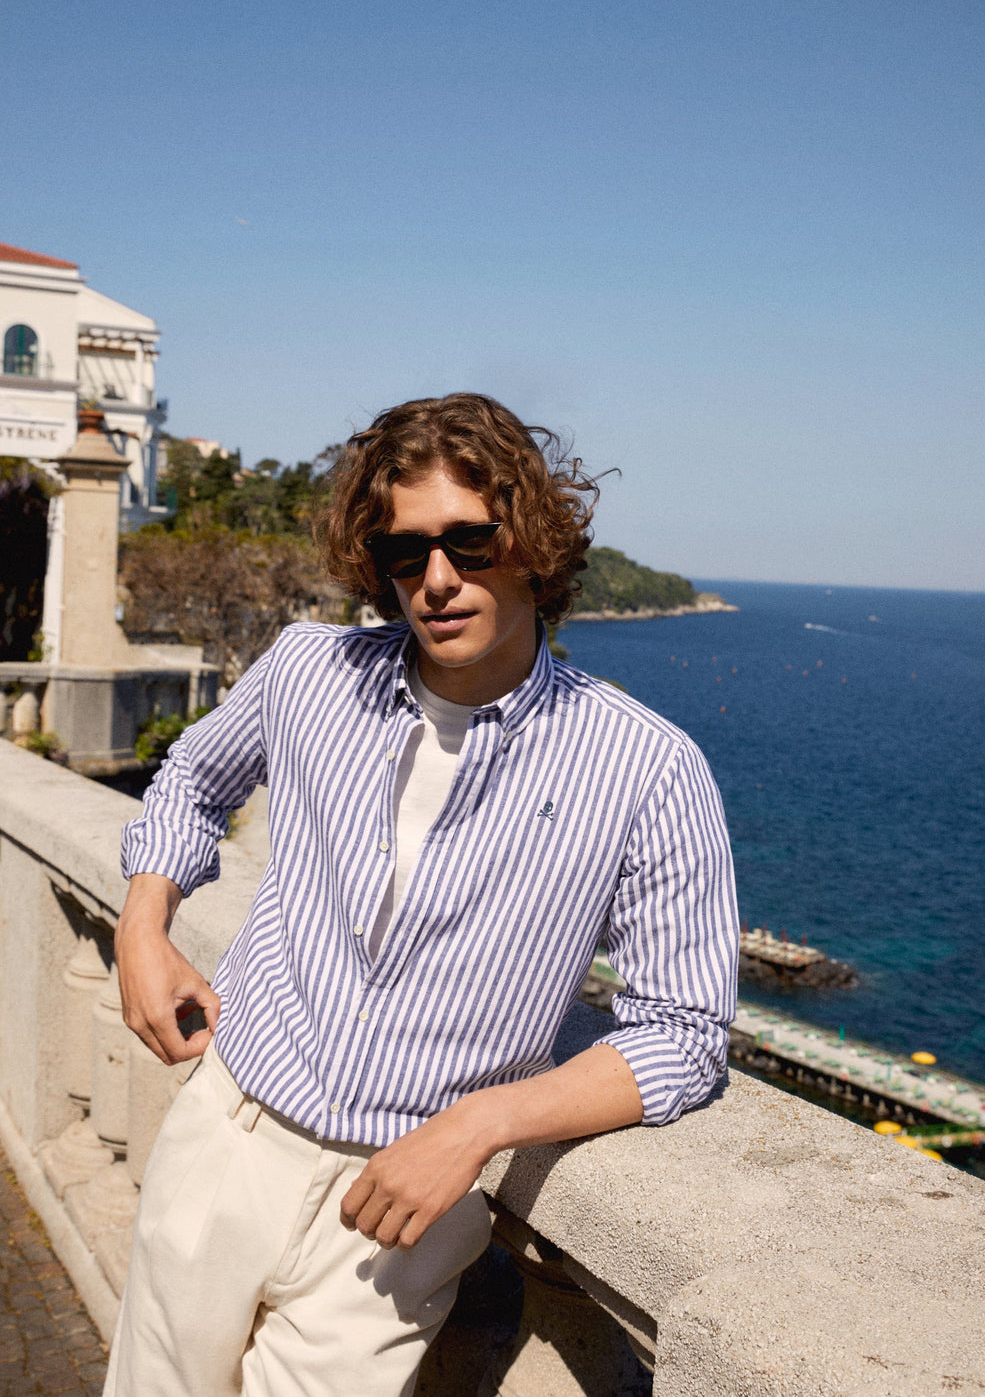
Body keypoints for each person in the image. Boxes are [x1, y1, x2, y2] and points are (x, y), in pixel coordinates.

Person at [105, 392, 738, 1397]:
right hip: (227, 1135)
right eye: (406, 552)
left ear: (532, 541)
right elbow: (190, 780)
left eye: (470, 542)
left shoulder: (646, 768)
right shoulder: (308, 672)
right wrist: (143, 925)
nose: (437, 579)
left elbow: (685, 1031)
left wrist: (479, 1125)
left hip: (404, 1215)